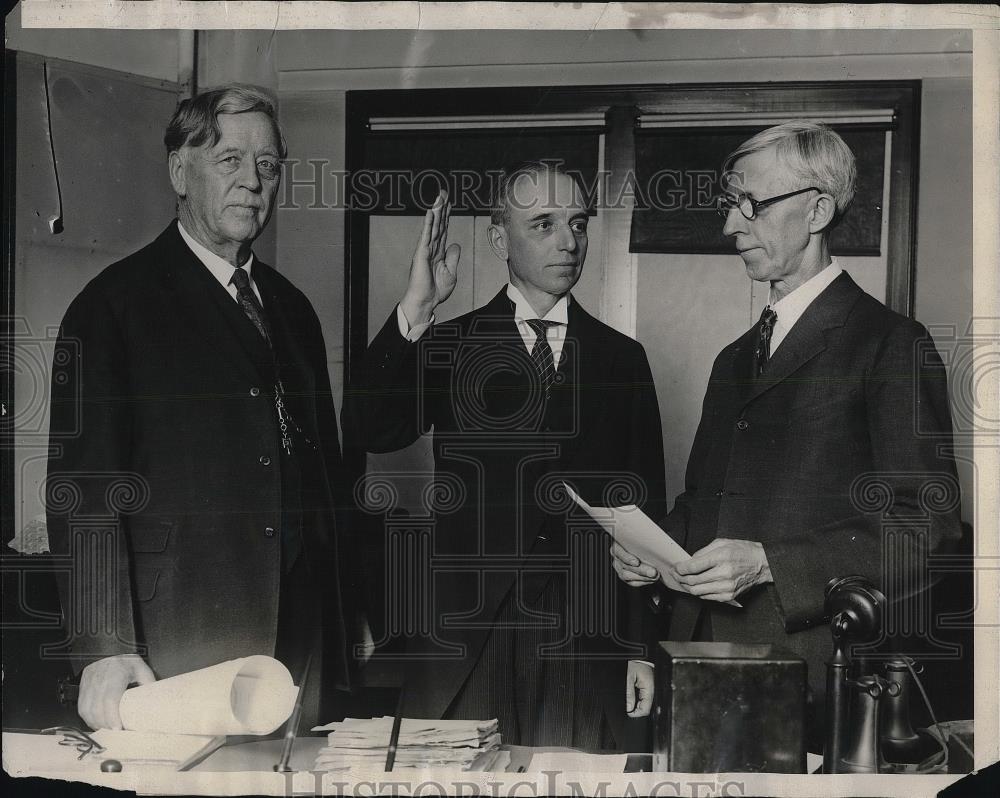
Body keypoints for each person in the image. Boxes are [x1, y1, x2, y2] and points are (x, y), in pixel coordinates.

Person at [614, 121, 962, 742]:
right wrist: (654, 546)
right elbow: (704, 505)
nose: (730, 225)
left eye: (752, 204)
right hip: (696, 667)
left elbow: (927, 529)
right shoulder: (732, 358)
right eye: (730, 204)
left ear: (819, 209)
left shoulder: (890, 344)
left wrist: (773, 563)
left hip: (812, 678)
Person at [46, 85, 353, 730]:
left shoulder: (293, 310)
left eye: (267, 165)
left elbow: (323, 473)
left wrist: (347, 609)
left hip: (301, 635)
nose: (252, 182)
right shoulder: (112, 307)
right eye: (230, 160)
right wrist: (105, 644)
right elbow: (86, 488)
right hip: (181, 634)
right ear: (179, 171)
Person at [344, 162, 667, 748]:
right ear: (499, 239)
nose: (569, 242)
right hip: (468, 643)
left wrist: (641, 649)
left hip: (587, 641)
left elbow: (646, 514)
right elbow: (368, 426)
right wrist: (416, 309)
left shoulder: (624, 359)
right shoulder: (450, 343)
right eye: (543, 224)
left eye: (578, 223)